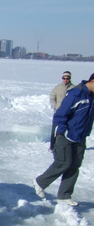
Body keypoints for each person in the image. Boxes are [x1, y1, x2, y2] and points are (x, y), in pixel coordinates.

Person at [34, 73, 94, 206]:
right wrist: (63, 131)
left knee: (74, 166)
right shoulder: (75, 94)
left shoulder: (91, 96)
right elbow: (60, 115)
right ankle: (40, 182)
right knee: (64, 163)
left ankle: (65, 195)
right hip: (65, 135)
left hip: (80, 136)